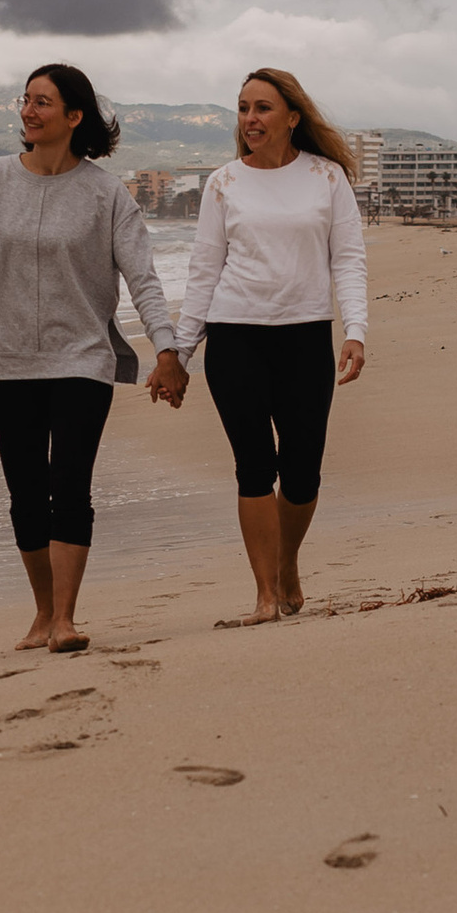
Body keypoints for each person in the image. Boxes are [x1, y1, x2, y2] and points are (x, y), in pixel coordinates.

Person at [0, 65, 185, 652]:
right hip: (10, 360)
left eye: (42, 102)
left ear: (74, 117)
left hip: (83, 359)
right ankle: (42, 613)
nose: (28, 111)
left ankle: (65, 618)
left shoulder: (105, 193)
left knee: (69, 485)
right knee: (25, 492)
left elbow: (144, 280)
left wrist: (165, 349)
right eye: (26, 100)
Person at [173, 69, 368, 623]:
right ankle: (264, 595)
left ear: (292, 117)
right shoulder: (223, 183)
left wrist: (355, 330)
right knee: (254, 467)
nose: (250, 119)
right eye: (242, 109)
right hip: (235, 336)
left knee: (303, 472)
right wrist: (180, 353)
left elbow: (348, 259)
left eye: (262, 108)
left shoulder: (327, 178)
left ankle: (286, 564)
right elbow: (204, 270)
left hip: (306, 335)